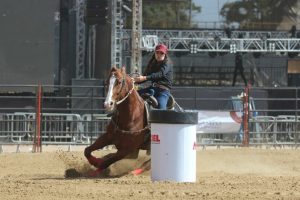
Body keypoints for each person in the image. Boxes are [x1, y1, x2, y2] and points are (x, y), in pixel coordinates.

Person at [134, 44, 173, 109]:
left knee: (160, 109)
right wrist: (134, 80)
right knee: (133, 96)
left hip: (163, 91)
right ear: (154, 53)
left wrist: (144, 77)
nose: (159, 55)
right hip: (152, 89)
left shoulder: (167, 63)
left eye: (161, 53)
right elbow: (146, 76)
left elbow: (160, 74)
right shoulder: (152, 63)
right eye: (157, 52)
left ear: (165, 54)